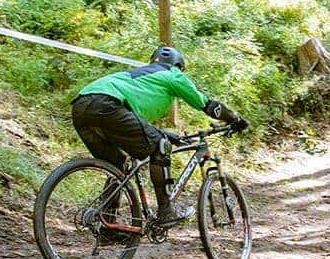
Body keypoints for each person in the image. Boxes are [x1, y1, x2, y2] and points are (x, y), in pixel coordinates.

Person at [71, 46, 248, 228]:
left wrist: (165, 134)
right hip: (107, 104)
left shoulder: (140, 77)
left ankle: (106, 223)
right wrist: (235, 119)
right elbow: (208, 105)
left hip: (81, 106)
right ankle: (166, 211)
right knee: (160, 146)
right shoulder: (173, 75)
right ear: (178, 65)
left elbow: (133, 121)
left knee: (117, 165)